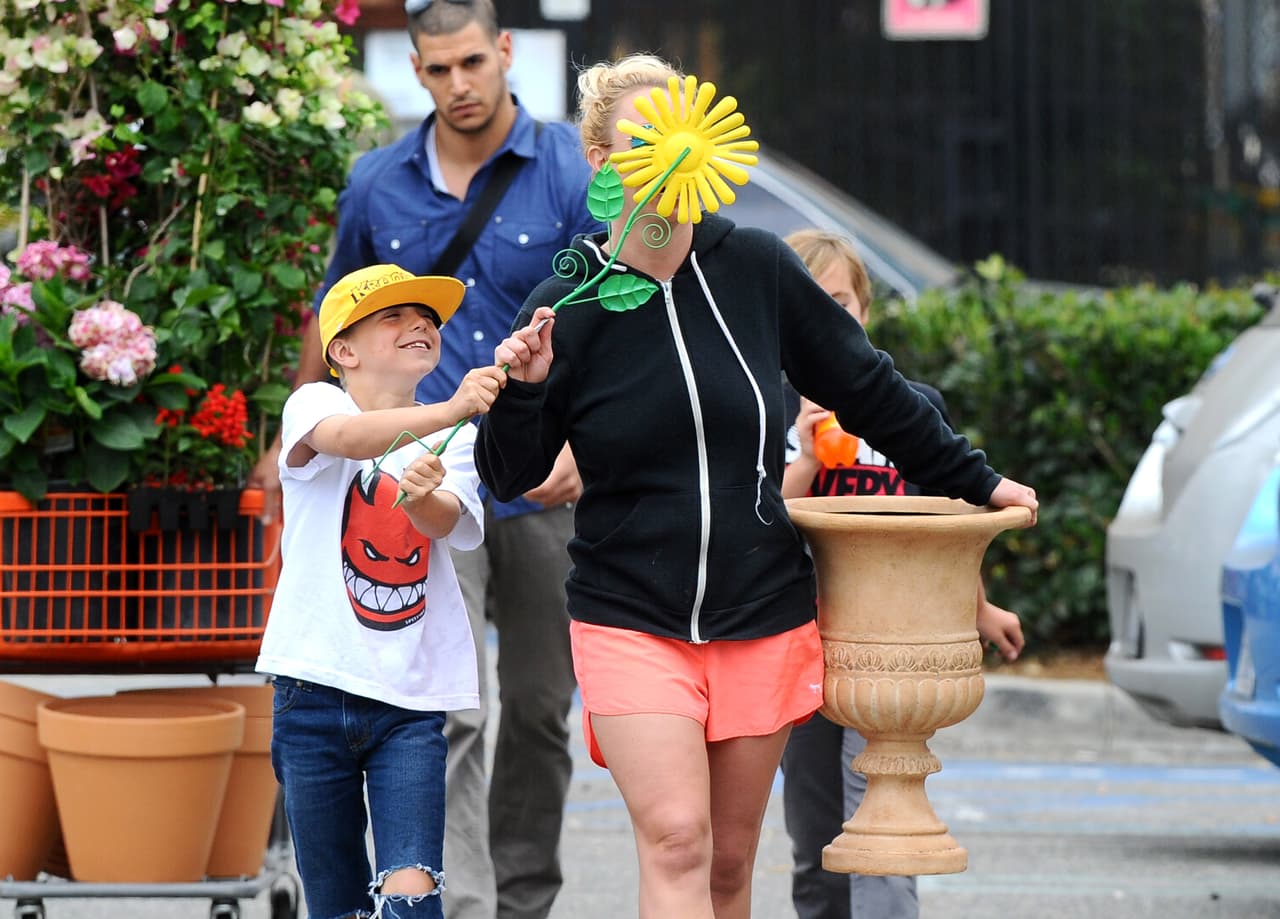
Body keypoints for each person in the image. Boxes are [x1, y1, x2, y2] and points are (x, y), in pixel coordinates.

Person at [473, 53, 1039, 919]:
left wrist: (977, 480)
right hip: (628, 615)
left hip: (761, 612)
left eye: (678, 133)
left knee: (731, 863)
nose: (665, 155)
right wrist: (529, 385)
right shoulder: (567, 301)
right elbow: (506, 472)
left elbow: (870, 388)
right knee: (677, 839)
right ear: (598, 158)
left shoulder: (759, 269)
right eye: (639, 139)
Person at [263, 2, 603, 917]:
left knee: (536, 707)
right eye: (438, 70)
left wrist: (579, 438)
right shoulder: (378, 182)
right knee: (448, 708)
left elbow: (606, 317)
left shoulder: (569, 167)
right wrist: (287, 440)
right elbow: (335, 313)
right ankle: (465, 905)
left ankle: (524, 897)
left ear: (503, 53)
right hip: (417, 469)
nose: (459, 85)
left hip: (538, 478)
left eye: (471, 64)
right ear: (416, 71)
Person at [777, 229, 1025, 919]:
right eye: (808, 303)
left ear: (864, 311)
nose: (826, 319)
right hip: (800, 638)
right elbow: (765, 518)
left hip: (892, 642)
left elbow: (942, 521)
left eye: (840, 302)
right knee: (815, 826)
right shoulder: (767, 407)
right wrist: (804, 446)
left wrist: (978, 607)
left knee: (880, 804)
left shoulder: (908, 407)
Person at [256, 263, 512, 919]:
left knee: (412, 889)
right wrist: (452, 406)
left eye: (427, 317)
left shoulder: (458, 440)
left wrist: (425, 498)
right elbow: (344, 440)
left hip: (410, 701)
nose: (419, 324)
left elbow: (448, 522)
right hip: (311, 690)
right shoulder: (316, 404)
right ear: (341, 350)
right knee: (336, 898)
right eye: (392, 316)